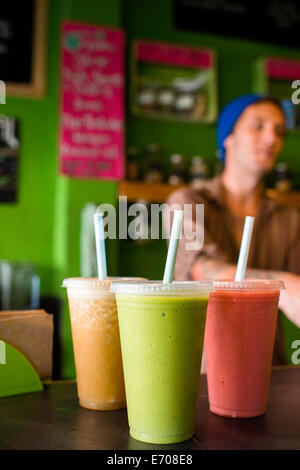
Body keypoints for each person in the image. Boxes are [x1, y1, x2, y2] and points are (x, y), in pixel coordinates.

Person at [165, 94, 300, 364]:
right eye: (258, 126)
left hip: (267, 369)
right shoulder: (187, 203)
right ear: (228, 137)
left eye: (279, 131)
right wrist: (281, 286)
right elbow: (200, 268)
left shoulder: (289, 219)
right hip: (198, 371)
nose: (272, 139)